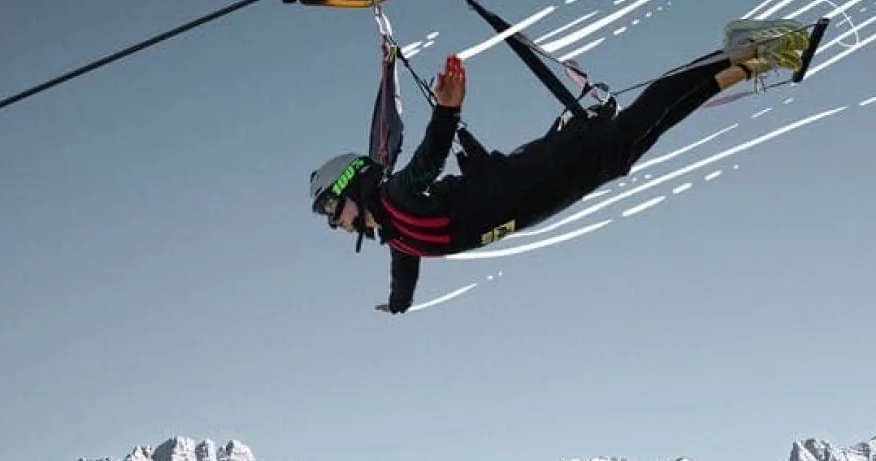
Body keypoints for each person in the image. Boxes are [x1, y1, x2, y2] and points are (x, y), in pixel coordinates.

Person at [309, 18, 815, 313]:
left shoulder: (398, 197)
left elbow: (429, 157)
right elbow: (405, 264)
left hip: (561, 168)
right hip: (562, 179)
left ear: (351, 184)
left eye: (333, 210)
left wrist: (447, 110)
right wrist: (400, 303)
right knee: (654, 119)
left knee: (654, 112)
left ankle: (757, 52)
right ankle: (750, 57)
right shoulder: (397, 235)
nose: (336, 223)